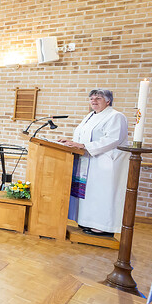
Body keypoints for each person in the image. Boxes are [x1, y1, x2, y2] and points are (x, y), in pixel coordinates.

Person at [60, 88, 130, 236]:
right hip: (88, 161)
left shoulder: (116, 116)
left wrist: (85, 146)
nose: (93, 101)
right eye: (91, 98)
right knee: (89, 193)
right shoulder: (90, 116)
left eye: (98, 98)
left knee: (101, 194)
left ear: (108, 101)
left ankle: (104, 226)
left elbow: (112, 139)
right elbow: (83, 137)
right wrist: (72, 142)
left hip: (106, 164)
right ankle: (87, 221)